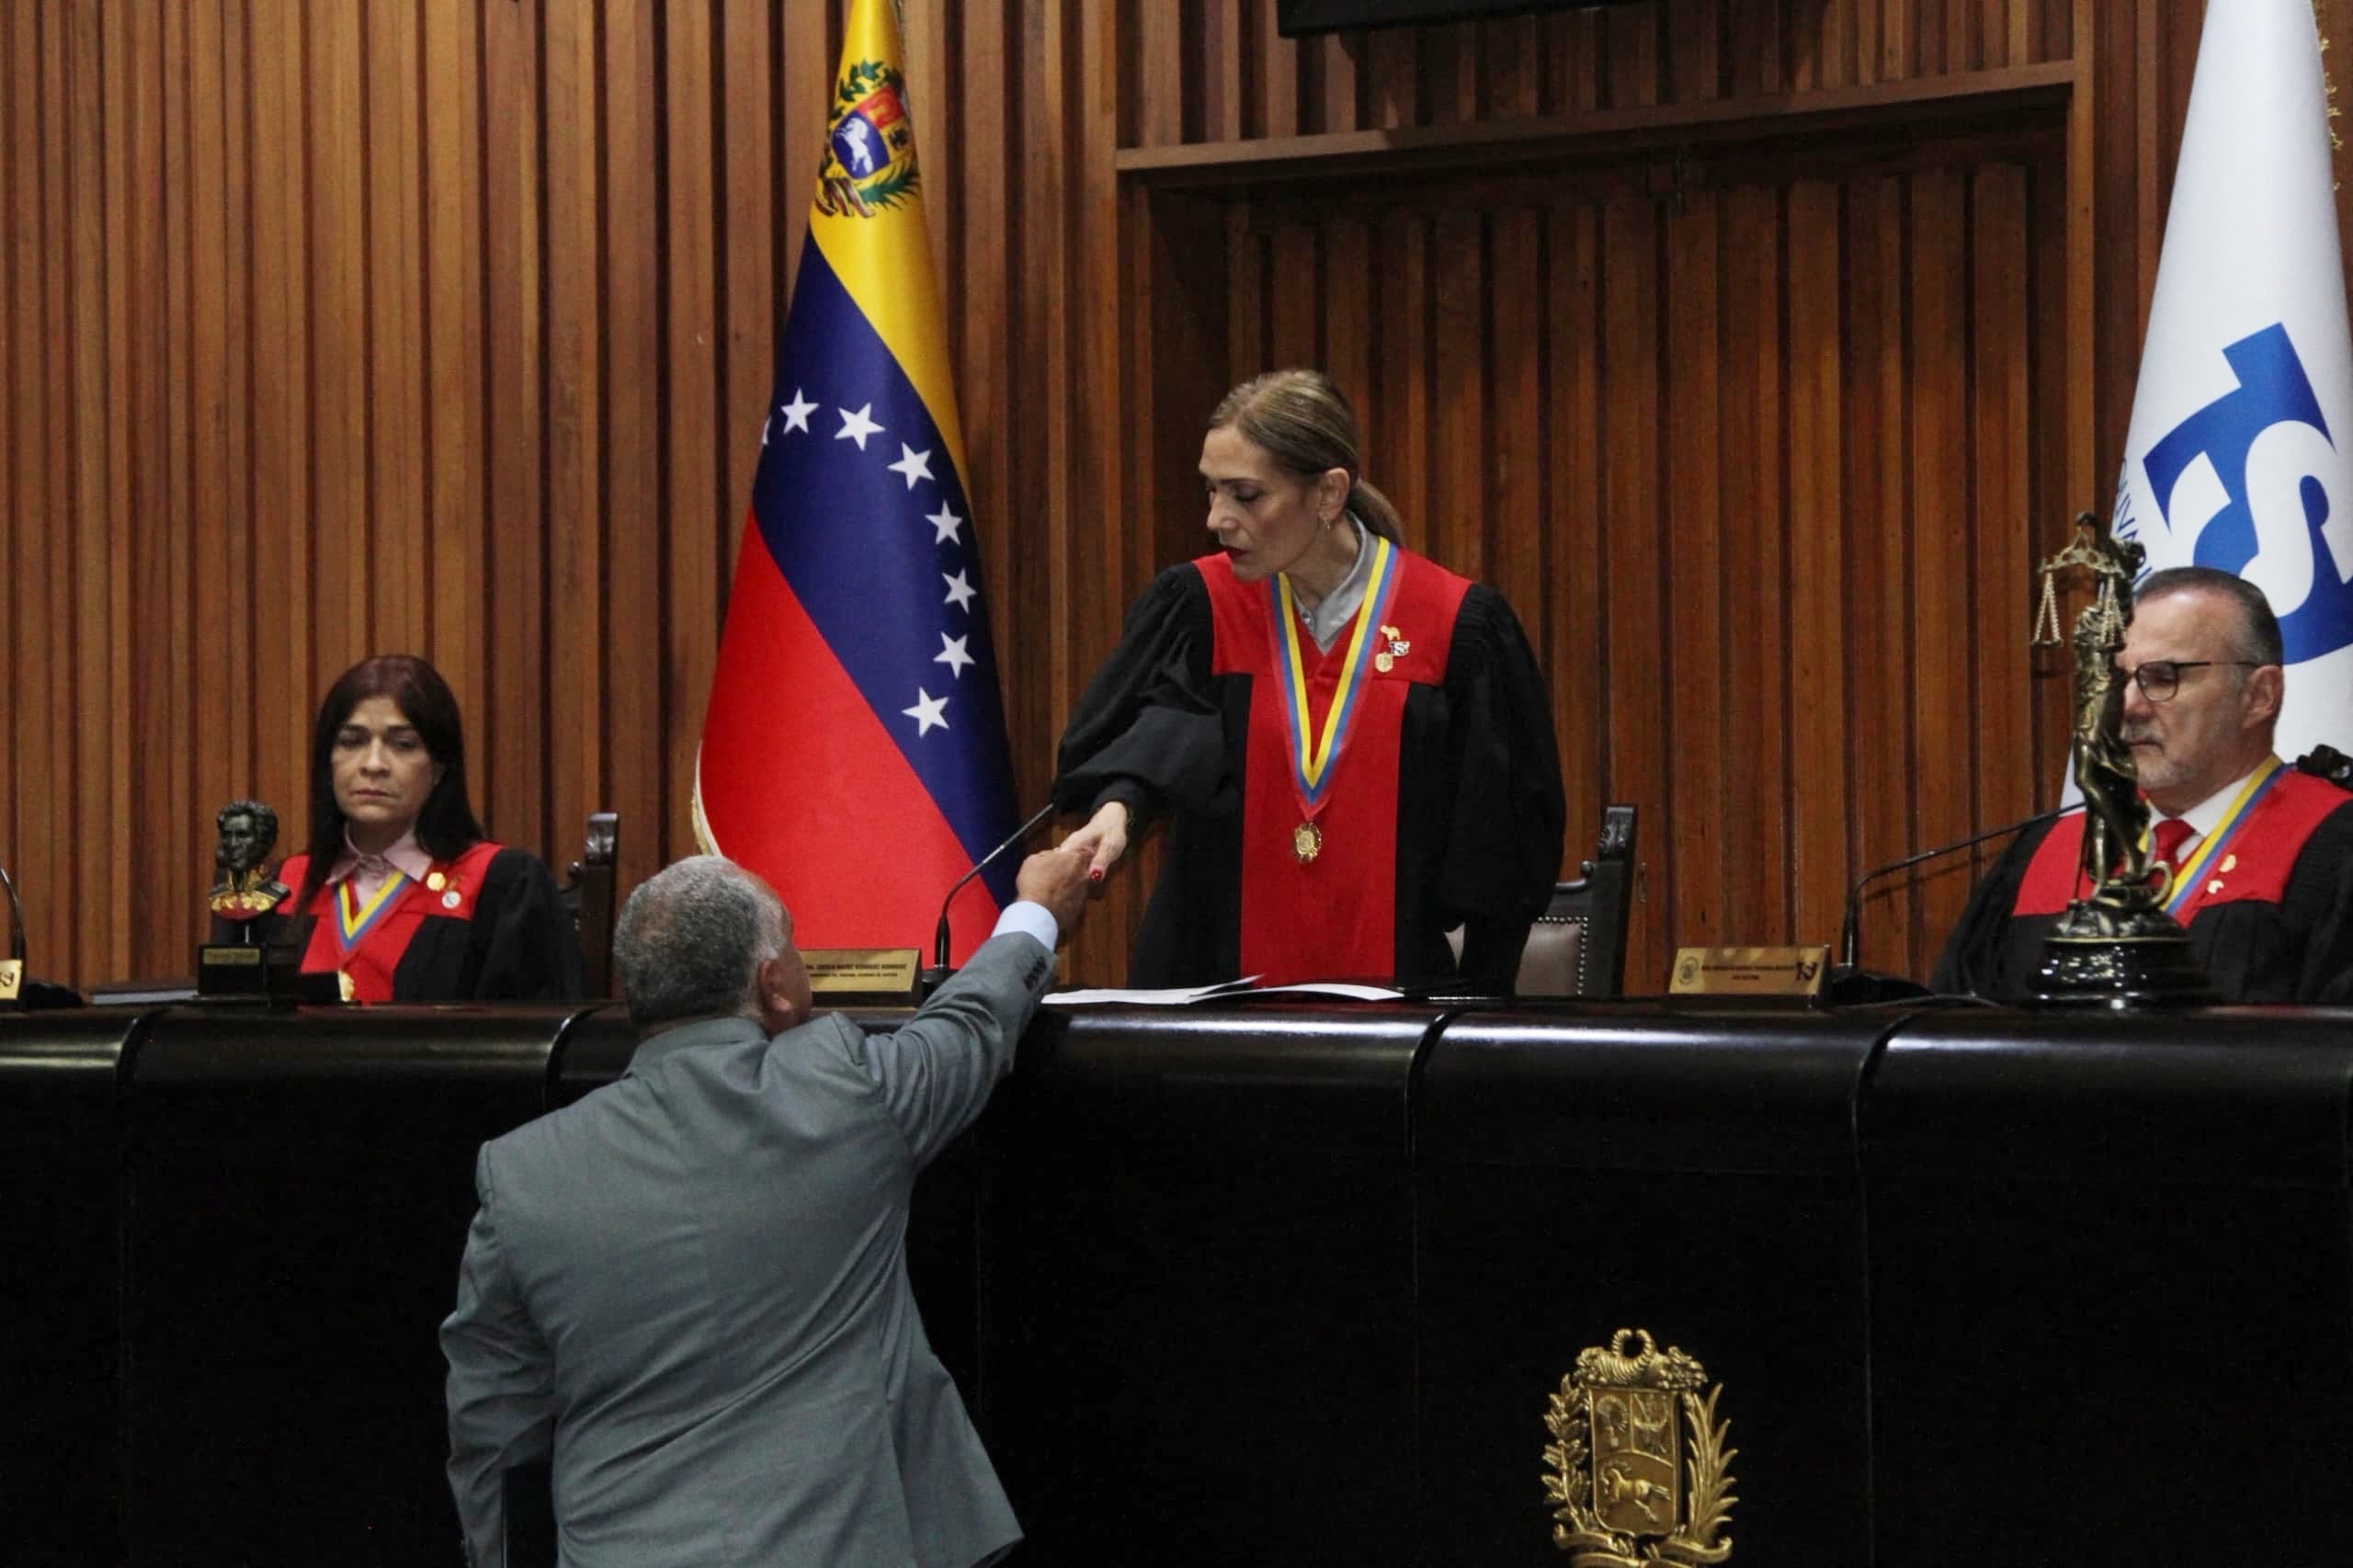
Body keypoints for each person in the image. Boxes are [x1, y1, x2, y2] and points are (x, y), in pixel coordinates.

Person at [439, 846, 1092, 1567]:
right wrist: (1040, 911)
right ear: (773, 983)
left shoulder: (523, 1171)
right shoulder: (844, 1088)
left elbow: (494, 1430)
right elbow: (972, 1024)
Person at [1054, 369, 1564, 989]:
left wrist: (1470, 1028)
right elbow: (1159, 733)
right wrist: (1120, 808)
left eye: (1245, 495)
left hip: (1399, 1015)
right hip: (1211, 1011)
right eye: (1210, 491)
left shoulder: (1453, 626)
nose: (1217, 518)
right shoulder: (1200, 609)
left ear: (1328, 494)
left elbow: (1498, 853)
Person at [1935, 567, 2353, 1002]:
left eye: (2163, 677)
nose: (2129, 707)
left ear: (2258, 695)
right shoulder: (2046, 851)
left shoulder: (2335, 850)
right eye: (2119, 679)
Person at [267, 654, 580, 1002]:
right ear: (328, 763)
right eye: (352, 741)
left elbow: (529, 1040)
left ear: (439, 769)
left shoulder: (500, 885)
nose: (373, 765)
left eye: (402, 745)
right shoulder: (282, 888)